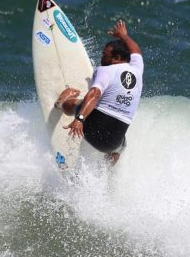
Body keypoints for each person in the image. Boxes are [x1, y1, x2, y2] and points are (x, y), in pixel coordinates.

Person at [55, 20, 143, 165]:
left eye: (105, 54)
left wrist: (79, 119)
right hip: (113, 144)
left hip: (92, 132)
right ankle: (108, 164)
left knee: (75, 103)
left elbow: (95, 94)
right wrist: (123, 36)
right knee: (121, 146)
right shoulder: (138, 70)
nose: (102, 57)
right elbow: (136, 51)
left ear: (117, 59)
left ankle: (60, 104)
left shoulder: (105, 70)